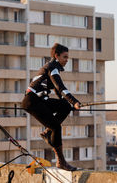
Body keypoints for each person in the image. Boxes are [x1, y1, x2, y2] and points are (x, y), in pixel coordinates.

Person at [21, 43, 81, 171]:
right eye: (65, 57)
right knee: (56, 126)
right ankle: (61, 161)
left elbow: (59, 93)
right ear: (56, 56)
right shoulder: (52, 68)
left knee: (65, 106)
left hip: (40, 100)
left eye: (68, 57)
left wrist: (69, 104)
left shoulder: (53, 68)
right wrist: (74, 102)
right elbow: (60, 87)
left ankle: (48, 131)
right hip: (32, 101)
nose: (67, 60)